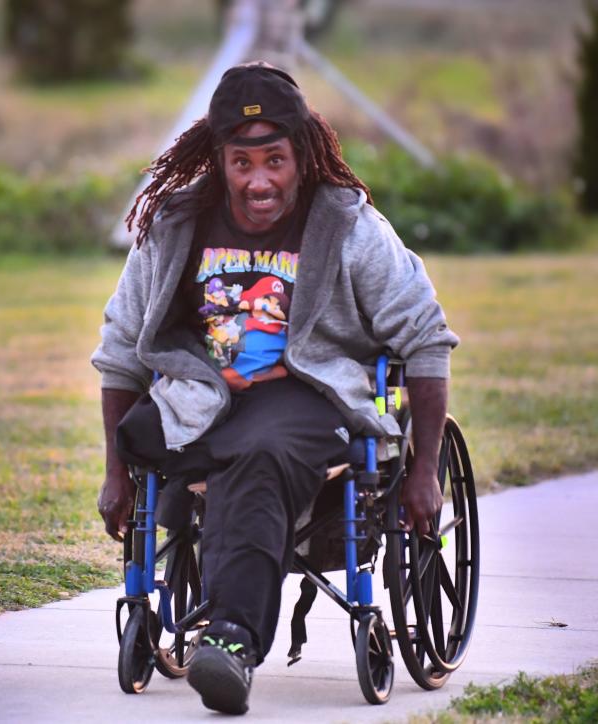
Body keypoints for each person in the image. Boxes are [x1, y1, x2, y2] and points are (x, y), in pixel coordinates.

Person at [91, 62, 458, 716]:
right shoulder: (176, 224)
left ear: (303, 154)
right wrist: (116, 472)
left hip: (305, 397)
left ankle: (231, 638)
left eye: (275, 160)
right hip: (199, 402)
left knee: (257, 453)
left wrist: (425, 468)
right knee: (156, 432)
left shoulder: (347, 225)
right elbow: (121, 350)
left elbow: (425, 337)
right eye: (241, 162)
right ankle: (195, 608)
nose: (258, 180)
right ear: (219, 158)